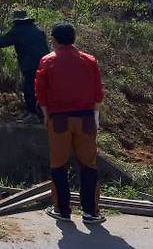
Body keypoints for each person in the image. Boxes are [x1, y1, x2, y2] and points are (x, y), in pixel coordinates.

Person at [35, 23, 105, 224]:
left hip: (59, 119)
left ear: (54, 40)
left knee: (59, 164)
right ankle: (91, 212)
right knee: (89, 165)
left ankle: (62, 210)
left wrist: (47, 115)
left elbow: (40, 91)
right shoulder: (89, 60)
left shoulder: (47, 61)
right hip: (86, 118)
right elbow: (98, 93)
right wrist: (95, 114)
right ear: (74, 39)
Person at [0, 10, 50, 124]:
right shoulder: (37, 29)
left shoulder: (18, 30)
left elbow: (4, 41)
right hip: (45, 63)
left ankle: (33, 114)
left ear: (16, 21)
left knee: (29, 89)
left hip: (30, 65)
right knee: (40, 89)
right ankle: (40, 113)